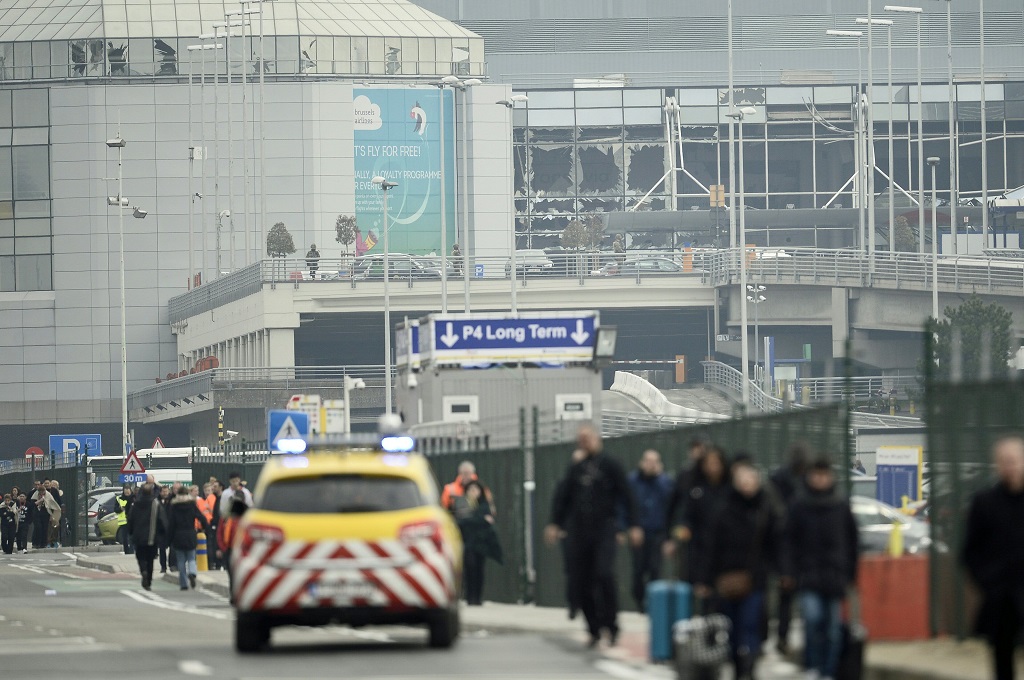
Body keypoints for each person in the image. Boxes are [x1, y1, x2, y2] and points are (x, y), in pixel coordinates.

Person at [546, 423, 642, 648]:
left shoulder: (610, 464)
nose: (584, 442)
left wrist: (634, 525)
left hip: (604, 529)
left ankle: (612, 625)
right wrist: (554, 523)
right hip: (579, 531)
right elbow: (563, 497)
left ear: (597, 438)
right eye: (581, 438)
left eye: (588, 437)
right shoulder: (576, 468)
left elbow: (627, 496)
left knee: (604, 574)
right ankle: (594, 628)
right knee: (582, 581)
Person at [696, 457, 781, 680]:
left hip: (755, 578)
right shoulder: (723, 510)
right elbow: (711, 546)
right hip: (727, 578)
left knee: (750, 624)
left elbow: (776, 543)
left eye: (750, 479)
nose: (746, 484)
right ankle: (737, 667)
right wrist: (704, 579)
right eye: (742, 480)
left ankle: (749, 668)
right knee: (732, 629)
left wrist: (781, 570)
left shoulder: (766, 509)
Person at [782, 456, 859, 680]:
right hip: (808, 574)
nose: (820, 479)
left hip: (835, 575)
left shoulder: (840, 504)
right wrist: (789, 571)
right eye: (816, 474)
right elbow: (788, 540)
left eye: (824, 475)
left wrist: (851, 574)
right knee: (813, 620)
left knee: (833, 629)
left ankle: (828, 670)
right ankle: (813, 667)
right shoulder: (799, 505)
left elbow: (852, 541)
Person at [963, 435, 1024, 680]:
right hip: (1001, 596)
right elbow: (970, 551)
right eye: (1004, 461)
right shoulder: (985, 502)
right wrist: (988, 582)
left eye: (1014, 460)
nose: (1009, 467)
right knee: (1002, 658)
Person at [770, 442, 812, 655]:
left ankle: (784, 637)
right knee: (788, 595)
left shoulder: (781, 478)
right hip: (787, 542)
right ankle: (784, 637)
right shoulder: (785, 480)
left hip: (793, 543)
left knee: (789, 597)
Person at [627, 449, 673, 611]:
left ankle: (654, 604)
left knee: (655, 569)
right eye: (648, 461)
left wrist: (659, 478)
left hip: (658, 532)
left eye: (655, 461)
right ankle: (640, 600)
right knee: (639, 570)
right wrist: (629, 527)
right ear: (642, 462)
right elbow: (625, 504)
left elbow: (670, 504)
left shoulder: (665, 482)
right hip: (638, 531)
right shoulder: (632, 481)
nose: (651, 465)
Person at [452, 480, 502, 605]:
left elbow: (486, 520)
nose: (473, 492)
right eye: (470, 489)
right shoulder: (462, 503)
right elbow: (461, 520)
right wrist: (480, 518)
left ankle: (477, 598)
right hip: (468, 542)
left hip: (481, 543)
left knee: (479, 570)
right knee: (470, 569)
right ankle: (470, 598)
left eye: (476, 489)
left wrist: (474, 518)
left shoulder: (485, 504)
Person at [166, 485, 210, 590]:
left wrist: (168, 539)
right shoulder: (192, 504)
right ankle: (192, 573)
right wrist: (205, 528)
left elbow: (171, 524)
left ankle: (184, 584)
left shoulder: (174, 506)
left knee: (180, 561)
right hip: (190, 533)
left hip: (178, 535)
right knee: (191, 558)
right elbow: (201, 517)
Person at [126, 483, 166, 590]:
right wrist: (163, 533)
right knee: (150, 559)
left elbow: (130, 520)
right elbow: (161, 520)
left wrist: (130, 532)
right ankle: (148, 580)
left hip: (138, 536)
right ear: (152, 492)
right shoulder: (155, 504)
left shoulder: (135, 504)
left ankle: (143, 570)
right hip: (152, 536)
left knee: (141, 557)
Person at [114, 484, 135, 554]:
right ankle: (127, 551)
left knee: (132, 537)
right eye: (125, 492)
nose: (127, 494)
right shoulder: (119, 498)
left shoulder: (134, 498)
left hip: (132, 521)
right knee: (125, 539)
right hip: (123, 522)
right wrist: (120, 509)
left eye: (128, 492)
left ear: (130, 491)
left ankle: (131, 551)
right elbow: (115, 509)